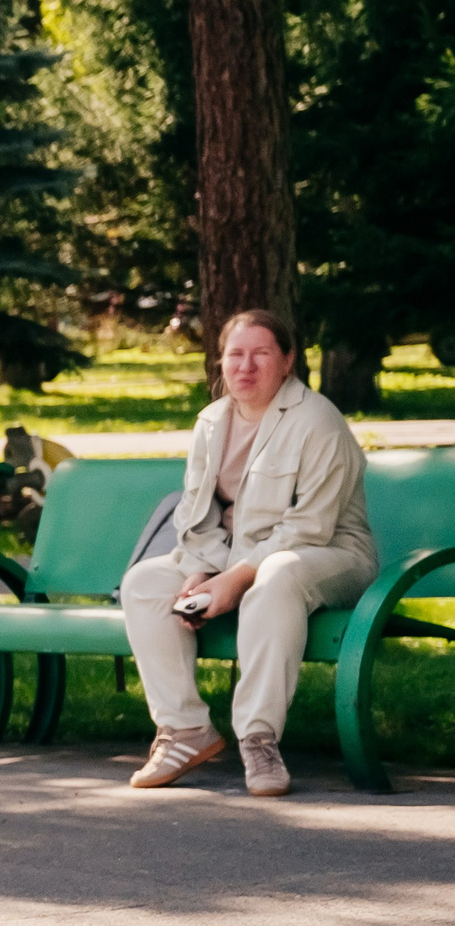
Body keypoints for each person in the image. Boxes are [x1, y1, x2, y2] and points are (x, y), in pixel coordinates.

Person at [122, 309, 377, 797]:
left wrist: (233, 580)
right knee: (145, 583)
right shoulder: (212, 421)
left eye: (261, 354)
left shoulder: (317, 420)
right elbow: (195, 516)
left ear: (287, 361)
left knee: (276, 575)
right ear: (220, 361)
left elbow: (310, 527)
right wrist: (199, 572)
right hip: (237, 556)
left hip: (330, 556)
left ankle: (259, 739)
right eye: (235, 355)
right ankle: (185, 730)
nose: (246, 366)